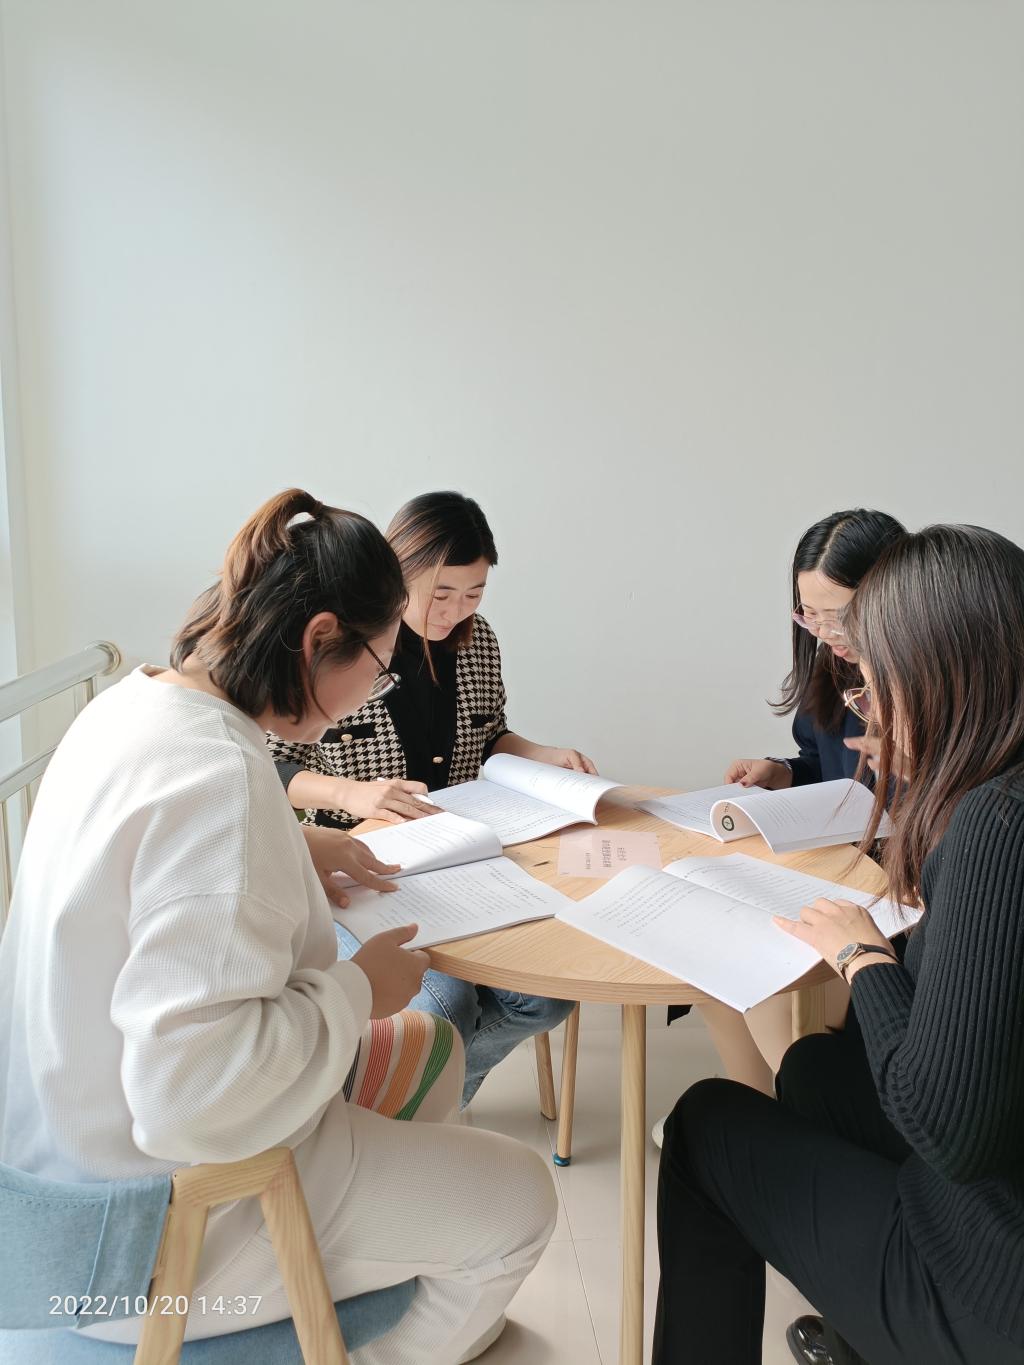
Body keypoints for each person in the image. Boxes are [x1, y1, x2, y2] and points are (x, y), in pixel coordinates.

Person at [0, 490, 556, 1362]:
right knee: (523, 1202)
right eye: (378, 667)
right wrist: (359, 988)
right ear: (319, 637)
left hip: (50, 1182)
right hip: (154, 1233)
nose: (371, 692)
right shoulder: (220, 777)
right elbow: (194, 1097)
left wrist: (295, 847)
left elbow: (151, 882)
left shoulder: (128, 708)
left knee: (436, 1059)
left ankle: (388, 1254)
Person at [654, 523, 1024, 1365]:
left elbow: (944, 1126)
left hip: (989, 1275)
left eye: (877, 684)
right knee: (815, 1070)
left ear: (943, 675)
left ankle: (897, 1321)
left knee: (705, 1126)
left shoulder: (999, 824)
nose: (872, 708)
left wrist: (865, 960)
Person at [269, 491, 583, 1106]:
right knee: (445, 1005)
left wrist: (541, 754)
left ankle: (418, 1105)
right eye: (442, 593)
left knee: (547, 999)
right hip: (359, 867)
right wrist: (353, 793)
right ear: (400, 569)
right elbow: (273, 766)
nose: (456, 611)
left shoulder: (477, 640)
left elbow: (489, 733)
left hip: (461, 857)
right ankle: (414, 1108)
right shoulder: (345, 645)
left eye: (474, 594)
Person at [655, 509, 906, 1141]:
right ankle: (758, 1107)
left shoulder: (926, 686)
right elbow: (826, 766)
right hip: (834, 863)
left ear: (894, 598)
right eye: (809, 616)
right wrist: (783, 773)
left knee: (761, 959)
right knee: (711, 940)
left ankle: (793, 1119)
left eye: (838, 616)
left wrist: (902, 774)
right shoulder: (837, 667)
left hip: (894, 892)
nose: (825, 634)